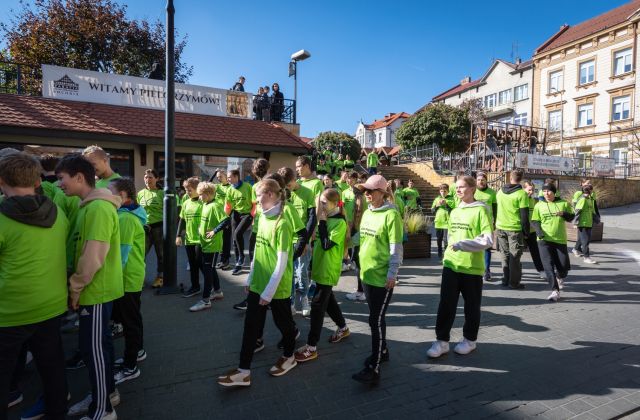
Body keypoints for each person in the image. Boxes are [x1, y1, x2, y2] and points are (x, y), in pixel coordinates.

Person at [0, 153, 69, 420]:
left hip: (10, 310)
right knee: (52, 369)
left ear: (2, 179)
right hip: (51, 305)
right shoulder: (57, 212)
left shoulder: (3, 219)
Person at [57, 153, 123, 420]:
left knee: (93, 349)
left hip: (96, 291)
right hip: (98, 289)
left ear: (79, 177)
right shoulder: (92, 206)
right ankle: (106, 395)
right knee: (100, 347)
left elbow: (92, 256)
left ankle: (102, 410)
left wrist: (75, 288)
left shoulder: (97, 208)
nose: (59, 184)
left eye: (62, 178)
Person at [217, 179, 298, 387]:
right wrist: (251, 278)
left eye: (258, 196)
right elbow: (257, 254)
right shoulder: (262, 216)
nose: (256, 201)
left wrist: (268, 293)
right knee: (250, 326)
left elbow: (280, 264)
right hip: (258, 284)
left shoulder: (283, 224)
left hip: (276, 287)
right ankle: (243, 372)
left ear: (270, 194)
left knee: (285, 326)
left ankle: (290, 356)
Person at [427, 175, 493, 359]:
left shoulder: (481, 209)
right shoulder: (454, 210)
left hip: (471, 267)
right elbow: (451, 236)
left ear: (472, 189)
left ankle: (470, 340)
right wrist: (451, 249)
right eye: (456, 187)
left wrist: (462, 245)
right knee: (446, 304)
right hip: (450, 265)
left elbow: (487, 240)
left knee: (472, 307)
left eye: (462, 187)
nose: (458, 190)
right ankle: (441, 342)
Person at [352, 175, 403, 385]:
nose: (367, 194)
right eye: (365, 191)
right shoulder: (367, 213)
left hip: (383, 277)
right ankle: (382, 350)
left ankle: (374, 368)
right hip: (367, 274)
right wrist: (345, 243)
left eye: (371, 191)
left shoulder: (391, 215)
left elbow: (396, 248)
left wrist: (392, 274)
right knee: (376, 316)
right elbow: (361, 238)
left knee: (375, 320)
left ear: (382, 192)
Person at [294, 189, 350, 363]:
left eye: (324, 203)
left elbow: (326, 245)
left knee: (318, 306)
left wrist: (323, 222)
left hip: (328, 269)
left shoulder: (339, 222)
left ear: (335, 203)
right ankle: (343, 327)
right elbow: (317, 242)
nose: (321, 206)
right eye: (320, 203)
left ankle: (312, 347)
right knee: (329, 301)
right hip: (319, 268)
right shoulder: (324, 220)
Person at [108, 177, 147, 385]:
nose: (105, 194)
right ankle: (137, 351)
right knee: (132, 319)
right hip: (131, 277)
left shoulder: (125, 219)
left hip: (126, 278)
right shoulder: (128, 215)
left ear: (123, 196)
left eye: (109, 191)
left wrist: (110, 278)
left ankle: (131, 366)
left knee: (130, 322)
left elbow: (121, 255)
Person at [278, 166, 317, 316]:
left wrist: (305, 241)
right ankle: (292, 301)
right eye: (284, 187)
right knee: (289, 272)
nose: (286, 189)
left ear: (295, 180)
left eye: (288, 186)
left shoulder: (307, 192)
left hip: (302, 239)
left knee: (302, 273)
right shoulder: (284, 194)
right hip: (287, 239)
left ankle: (305, 298)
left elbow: (312, 218)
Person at [189, 182, 229, 312]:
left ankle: (205, 301)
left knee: (207, 271)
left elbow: (226, 220)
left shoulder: (215, 205)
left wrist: (214, 231)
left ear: (210, 194)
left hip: (212, 245)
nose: (200, 197)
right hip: (205, 243)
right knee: (209, 269)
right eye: (199, 194)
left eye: (202, 195)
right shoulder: (206, 205)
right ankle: (217, 291)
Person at [531, 183, 574, 302]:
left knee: (563, 267)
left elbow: (571, 217)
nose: (546, 194)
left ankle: (560, 276)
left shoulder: (563, 203)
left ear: (554, 193)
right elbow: (534, 221)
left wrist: (564, 214)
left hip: (559, 240)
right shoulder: (539, 205)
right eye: (544, 191)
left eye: (549, 191)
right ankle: (555, 290)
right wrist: (539, 232)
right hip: (544, 240)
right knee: (548, 266)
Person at [495, 169, 529, 290]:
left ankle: (505, 279)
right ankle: (514, 283)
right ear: (521, 179)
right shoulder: (522, 194)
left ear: (510, 178)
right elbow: (524, 216)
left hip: (500, 227)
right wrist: (526, 233)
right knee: (515, 256)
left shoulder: (499, 192)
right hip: (514, 229)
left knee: (505, 254)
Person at [176, 177, 204, 297]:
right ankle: (195, 286)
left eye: (190, 189)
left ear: (198, 189)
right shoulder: (186, 202)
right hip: (189, 238)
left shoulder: (204, 202)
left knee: (201, 264)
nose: (187, 191)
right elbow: (182, 219)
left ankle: (213, 286)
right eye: (186, 189)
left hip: (201, 239)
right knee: (193, 264)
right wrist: (178, 235)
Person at [137, 169, 164, 288]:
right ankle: (139, 277)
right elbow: (138, 210)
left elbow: (170, 212)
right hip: (144, 228)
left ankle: (160, 277)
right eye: (146, 177)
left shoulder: (162, 193)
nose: (147, 180)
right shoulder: (140, 193)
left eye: (150, 177)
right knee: (140, 254)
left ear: (157, 179)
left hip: (159, 227)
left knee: (161, 255)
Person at [344, 172, 367, 301]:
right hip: (361, 233)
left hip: (356, 233)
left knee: (358, 264)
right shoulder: (362, 200)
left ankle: (361, 291)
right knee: (359, 263)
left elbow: (354, 219)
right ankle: (361, 289)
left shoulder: (359, 202)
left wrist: (349, 231)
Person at [226, 169, 253, 275]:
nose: (228, 179)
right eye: (227, 177)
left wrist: (253, 215)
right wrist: (225, 218)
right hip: (235, 214)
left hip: (247, 214)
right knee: (235, 237)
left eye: (229, 177)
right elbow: (228, 205)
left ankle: (242, 257)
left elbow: (254, 202)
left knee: (238, 233)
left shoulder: (247, 187)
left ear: (236, 176)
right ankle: (238, 263)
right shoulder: (230, 189)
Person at [474, 172, 497, 282]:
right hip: (474, 224)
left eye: (483, 180)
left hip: (487, 224)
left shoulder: (492, 193)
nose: (481, 182)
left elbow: (495, 209)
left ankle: (486, 271)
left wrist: (495, 222)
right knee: (474, 247)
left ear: (486, 181)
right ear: (476, 181)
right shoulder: (473, 192)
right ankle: (475, 268)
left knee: (487, 248)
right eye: (478, 180)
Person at [523, 181, 545, 277]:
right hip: (521, 230)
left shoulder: (533, 200)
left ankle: (541, 271)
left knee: (535, 252)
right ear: (523, 189)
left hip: (532, 231)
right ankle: (514, 272)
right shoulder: (521, 199)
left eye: (532, 190)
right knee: (517, 253)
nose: (531, 192)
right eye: (529, 190)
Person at [573, 184, 598, 264]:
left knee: (582, 239)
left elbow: (592, 211)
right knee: (585, 241)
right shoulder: (583, 199)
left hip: (589, 223)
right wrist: (575, 223)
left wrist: (596, 219)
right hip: (582, 224)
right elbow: (577, 211)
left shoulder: (589, 199)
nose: (592, 191)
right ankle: (586, 257)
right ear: (589, 191)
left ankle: (575, 249)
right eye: (591, 190)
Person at [213, 170, 233, 270]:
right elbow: (206, 184)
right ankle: (222, 260)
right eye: (217, 177)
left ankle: (226, 261)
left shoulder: (231, 187)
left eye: (220, 176)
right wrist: (213, 174)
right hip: (218, 217)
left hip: (227, 217)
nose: (218, 178)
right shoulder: (216, 187)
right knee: (220, 240)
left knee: (226, 240)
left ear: (226, 176)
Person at [431, 183, 454, 259]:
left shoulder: (451, 199)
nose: (443, 193)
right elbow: (432, 211)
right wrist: (437, 206)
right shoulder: (437, 199)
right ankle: (440, 252)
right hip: (438, 222)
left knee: (446, 239)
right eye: (441, 191)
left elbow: (453, 210)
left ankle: (446, 254)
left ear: (448, 191)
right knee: (439, 239)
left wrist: (446, 204)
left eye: (445, 191)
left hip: (447, 223)